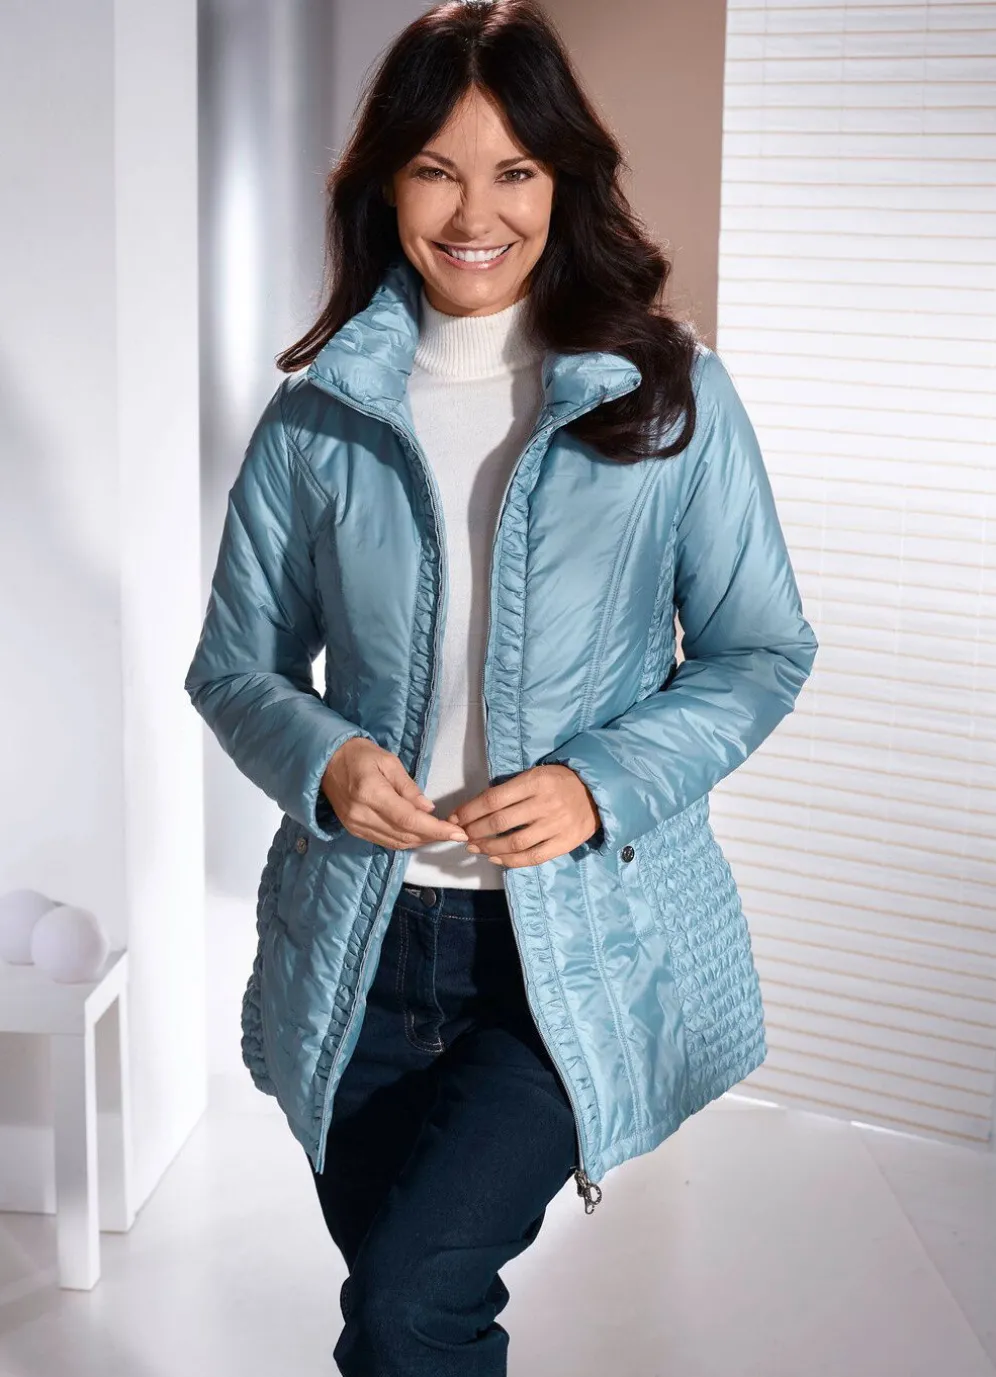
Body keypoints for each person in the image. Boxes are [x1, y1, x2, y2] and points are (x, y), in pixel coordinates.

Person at [184, 0, 819, 1371]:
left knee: (405, 1310)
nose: (476, 213)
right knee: (415, 1315)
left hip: (563, 951)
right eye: (436, 169)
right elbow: (234, 666)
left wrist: (599, 783)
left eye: (515, 170)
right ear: (384, 187)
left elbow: (763, 649)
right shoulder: (315, 418)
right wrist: (325, 758)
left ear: (564, 181)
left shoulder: (670, 396)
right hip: (361, 949)